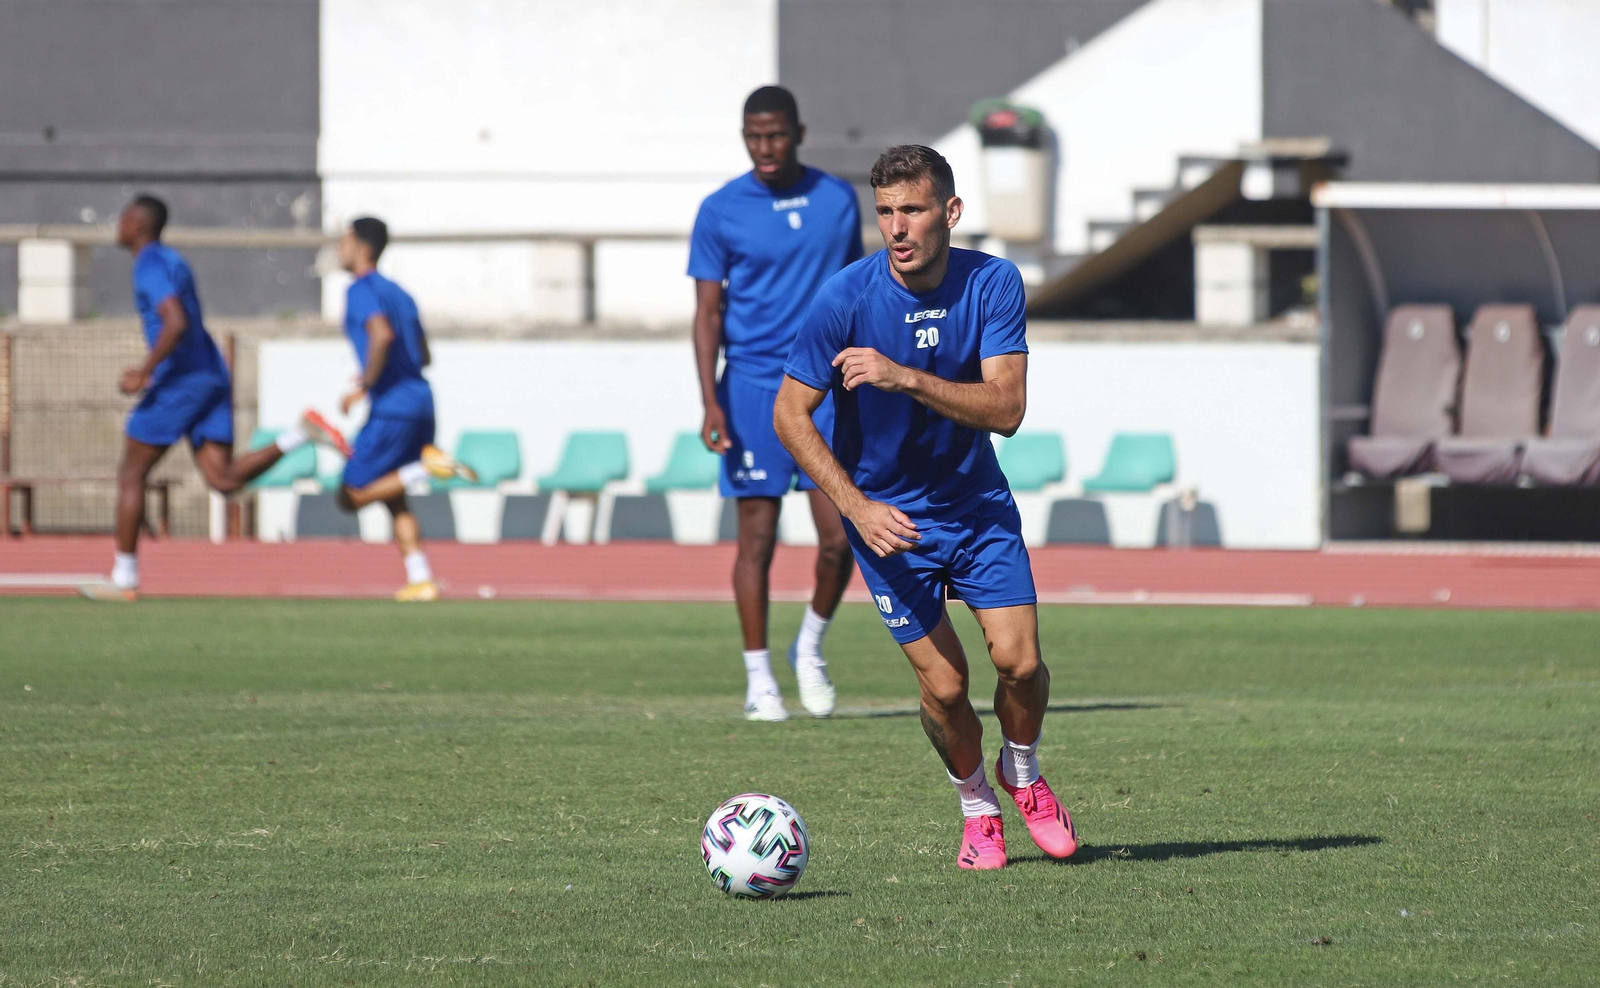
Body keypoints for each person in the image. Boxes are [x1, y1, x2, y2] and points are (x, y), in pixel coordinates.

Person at [774, 145, 1077, 870]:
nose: (896, 228)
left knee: (1022, 665)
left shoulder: (993, 283)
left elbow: (1007, 408)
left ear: (950, 211)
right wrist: (856, 507)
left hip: (975, 507)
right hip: (891, 524)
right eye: (884, 213)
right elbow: (789, 414)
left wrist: (903, 376)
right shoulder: (843, 299)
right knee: (945, 687)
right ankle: (978, 809)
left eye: (911, 209)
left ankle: (1023, 776)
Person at [688, 85, 862, 722]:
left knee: (841, 537)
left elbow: (856, 294)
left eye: (775, 135)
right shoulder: (719, 209)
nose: (764, 147)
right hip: (753, 389)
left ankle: (808, 647)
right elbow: (707, 313)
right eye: (752, 135)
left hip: (825, 391)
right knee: (756, 540)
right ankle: (759, 678)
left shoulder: (838, 200)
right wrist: (711, 401)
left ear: (799, 132)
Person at [80, 195, 347, 602]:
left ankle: (124, 578)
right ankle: (300, 434)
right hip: (211, 374)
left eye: (122, 217)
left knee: (131, 476)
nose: (117, 224)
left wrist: (146, 371)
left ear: (137, 225)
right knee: (222, 481)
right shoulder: (173, 260)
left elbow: (175, 319)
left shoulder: (149, 264)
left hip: (179, 381)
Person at [329, 216, 475, 602]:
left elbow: (381, 333)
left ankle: (426, 467)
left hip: (393, 407)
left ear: (361, 248)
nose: (339, 250)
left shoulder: (361, 289)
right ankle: (421, 578)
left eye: (343, 242)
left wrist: (365, 384)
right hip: (422, 401)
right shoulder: (401, 293)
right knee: (393, 495)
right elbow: (423, 353)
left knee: (352, 492)